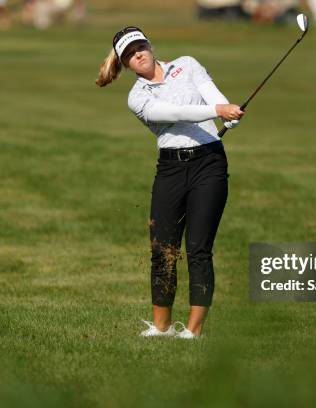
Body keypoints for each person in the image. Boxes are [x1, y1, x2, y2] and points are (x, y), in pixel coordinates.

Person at [95, 26, 244, 339]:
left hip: (210, 165)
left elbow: (212, 93)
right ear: (124, 63)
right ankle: (161, 327)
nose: (138, 55)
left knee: (199, 250)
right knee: (163, 250)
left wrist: (227, 112)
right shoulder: (138, 97)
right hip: (171, 171)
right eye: (130, 54)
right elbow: (176, 112)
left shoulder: (187, 64)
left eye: (141, 47)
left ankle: (194, 331)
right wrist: (216, 111)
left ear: (150, 46)